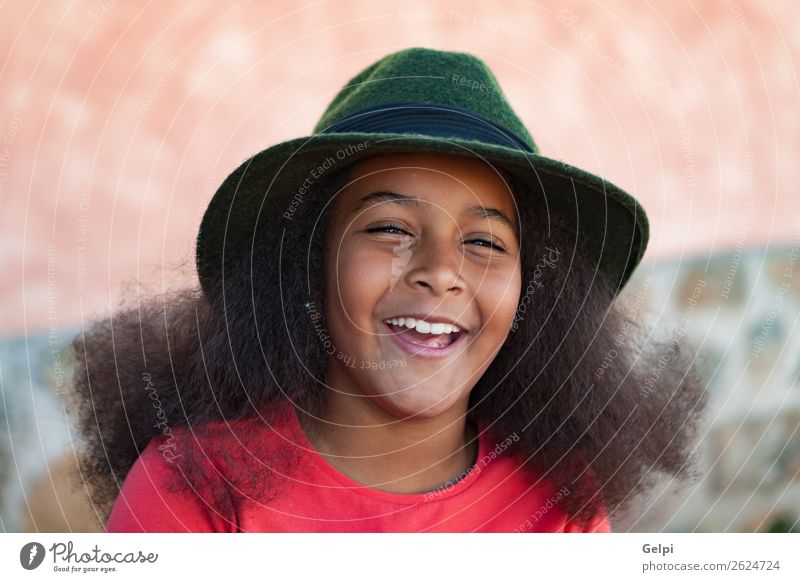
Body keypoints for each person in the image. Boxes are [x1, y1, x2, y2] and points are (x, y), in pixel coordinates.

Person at [68, 47, 708, 533]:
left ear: (531, 296)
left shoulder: (559, 502)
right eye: (389, 228)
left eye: (484, 242)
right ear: (306, 266)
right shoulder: (193, 489)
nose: (440, 270)